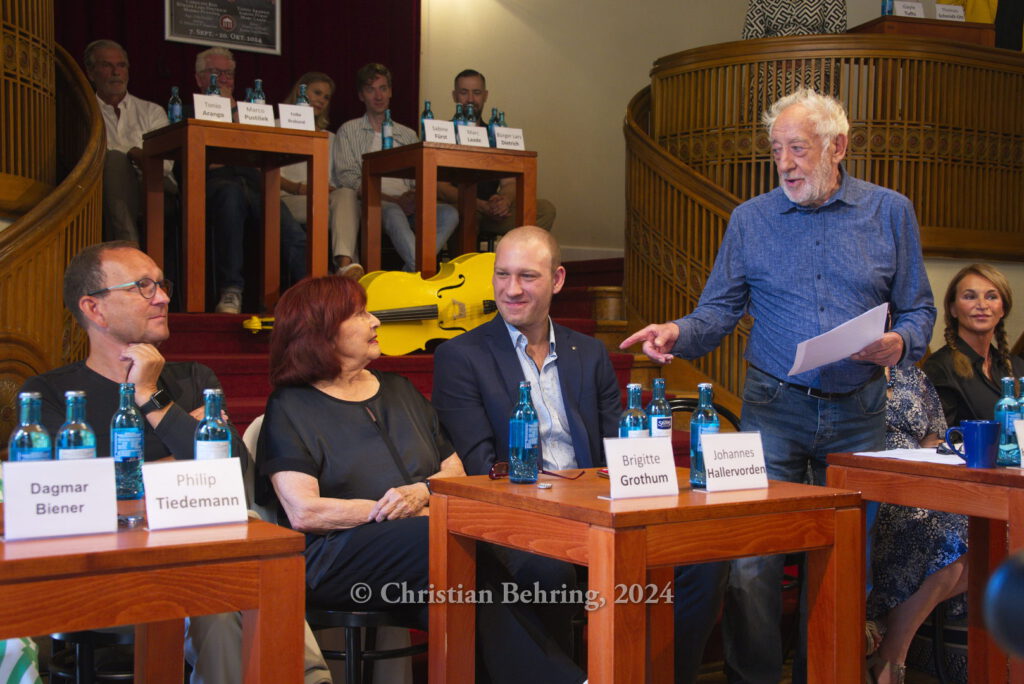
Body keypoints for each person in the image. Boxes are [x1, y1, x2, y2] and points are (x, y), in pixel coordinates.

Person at [620, 87, 936, 683]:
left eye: (798, 149)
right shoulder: (750, 220)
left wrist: (901, 343)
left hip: (860, 412)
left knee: (843, 565)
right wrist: (677, 332)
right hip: (773, 408)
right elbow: (717, 312)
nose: (785, 164)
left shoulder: (890, 211)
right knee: (751, 563)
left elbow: (919, 310)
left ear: (838, 146)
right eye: (776, 151)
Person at [19, 241, 330, 684]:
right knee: (224, 583)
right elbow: (75, 495)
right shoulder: (55, 396)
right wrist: (182, 464)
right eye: (143, 286)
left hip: (198, 563)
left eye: (161, 284)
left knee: (218, 588)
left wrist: (151, 397)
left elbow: (231, 478)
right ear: (94, 308)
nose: (162, 297)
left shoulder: (192, 379)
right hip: (104, 572)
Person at [255, 274, 586, 684]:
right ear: (321, 331)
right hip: (337, 557)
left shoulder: (398, 389)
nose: (376, 321)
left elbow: (454, 469)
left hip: (431, 548)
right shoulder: (290, 406)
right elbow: (305, 511)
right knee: (439, 544)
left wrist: (421, 493)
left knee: (541, 568)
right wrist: (395, 511)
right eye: (360, 313)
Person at [867, 365, 967, 684]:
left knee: (985, 525)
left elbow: (933, 440)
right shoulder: (839, 373)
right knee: (943, 531)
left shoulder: (912, 376)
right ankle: (893, 658)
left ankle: (889, 640)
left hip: (918, 482)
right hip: (868, 487)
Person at [194, 47, 308, 313]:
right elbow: (193, 161)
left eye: (228, 73)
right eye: (215, 72)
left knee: (283, 219)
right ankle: (231, 290)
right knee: (231, 195)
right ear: (200, 79)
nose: (223, 79)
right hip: (213, 184)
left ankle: (317, 287)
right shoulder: (189, 110)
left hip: (253, 180)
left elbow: (264, 152)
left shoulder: (251, 110)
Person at [331, 63, 458, 273]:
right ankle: (424, 271)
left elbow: (422, 175)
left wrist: (415, 197)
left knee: (450, 213)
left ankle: (409, 274)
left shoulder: (407, 134)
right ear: (361, 95)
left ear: (390, 92)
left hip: (410, 204)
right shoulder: (348, 130)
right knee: (393, 212)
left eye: (383, 88)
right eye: (371, 90)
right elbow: (348, 179)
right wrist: (394, 201)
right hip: (374, 204)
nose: (378, 96)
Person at [437, 69, 557, 236]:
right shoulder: (442, 133)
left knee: (545, 209)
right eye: (464, 93)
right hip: (459, 206)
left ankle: (514, 259)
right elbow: (440, 187)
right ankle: (466, 262)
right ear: (454, 96)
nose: (470, 99)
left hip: (491, 210)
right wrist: (478, 204)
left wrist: (503, 200)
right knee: (463, 215)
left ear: (485, 96)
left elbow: (509, 183)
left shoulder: (495, 132)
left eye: (476, 93)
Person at [84, 39, 176, 243]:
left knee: (114, 159)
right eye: (107, 65)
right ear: (91, 73)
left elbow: (166, 165)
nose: (116, 72)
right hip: (104, 185)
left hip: (154, 182)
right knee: (115, 164)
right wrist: (133, 152)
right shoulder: (85, 113)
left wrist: (130, 155)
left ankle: (127, 249)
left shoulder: (152, 111)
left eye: (121, 65)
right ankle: (129, 248)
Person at [279, 72, 364, 279]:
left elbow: (338, 181)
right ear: (300, 91)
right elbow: (263, 172)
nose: (321, 100)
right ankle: (345, 279)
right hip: (288, 199)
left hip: (324, 199)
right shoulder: (275, 125)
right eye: (316, 93)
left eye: (326, 97)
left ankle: (344, 265)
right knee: (344, 218)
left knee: (346, 195)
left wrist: (325, 189)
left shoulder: (331, 138)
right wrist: (300, 188)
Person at [924, 263, 1024, 428]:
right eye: (970, 296)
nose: (982, 305)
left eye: (991, 297)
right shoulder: (940, 367)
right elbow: (937, 441)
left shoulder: (1018, 367)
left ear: (1003, 309)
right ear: (953, 309)